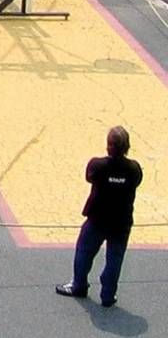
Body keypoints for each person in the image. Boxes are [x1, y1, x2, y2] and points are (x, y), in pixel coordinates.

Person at [57, 125, 142, 307]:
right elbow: (136, 182)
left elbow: (89, 177)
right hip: (121, 223)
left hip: (98, 220)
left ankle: (79, 286)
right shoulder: (134, 169)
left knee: (84, 252)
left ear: (109, 146)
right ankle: (108, 295)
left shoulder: (97, 165)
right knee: (115, 259)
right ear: (127, 146)